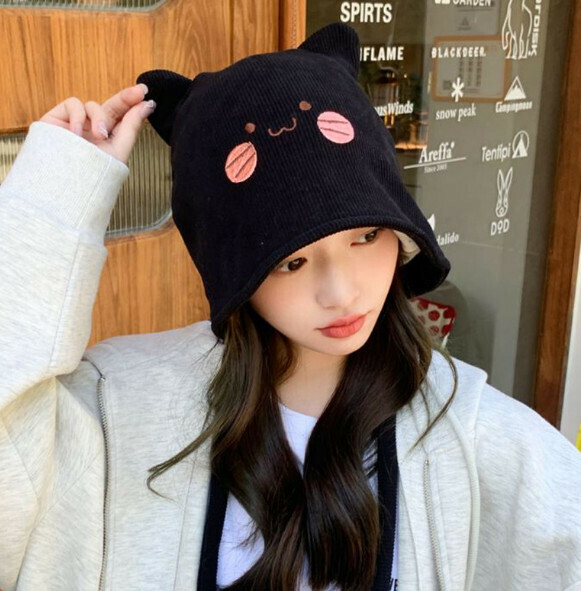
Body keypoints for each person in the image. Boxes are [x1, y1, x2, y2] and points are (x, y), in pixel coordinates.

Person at [0, 21, 580, 591]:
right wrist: (51, 201)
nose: (342, 293)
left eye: (367, 236)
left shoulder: (478, 439)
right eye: (292, 262)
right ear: (233, 271)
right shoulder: (116, 407)